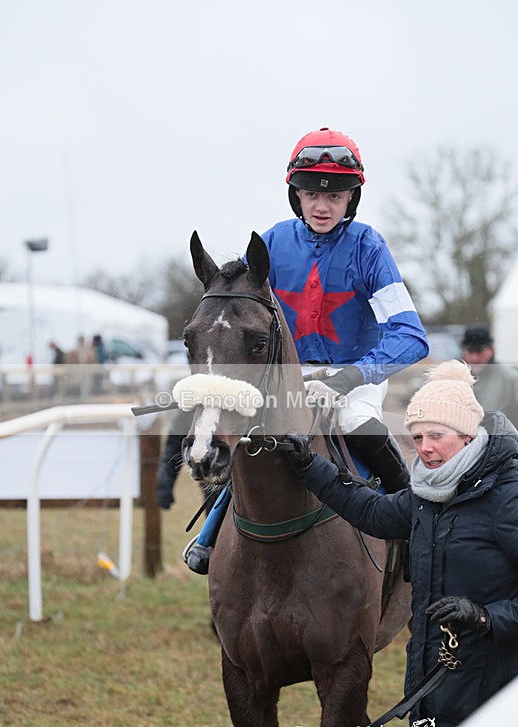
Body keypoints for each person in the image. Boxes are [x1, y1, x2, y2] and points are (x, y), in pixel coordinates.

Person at [184, 126, 429, 575]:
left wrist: (349, 378)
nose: (322, 205)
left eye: (335, 196)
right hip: (285, 381)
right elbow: (237, 319)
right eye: (311, 194)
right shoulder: (273, 243)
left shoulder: (369, 248)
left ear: (350, 200)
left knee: (359, 423)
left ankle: (419, 535)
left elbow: (411, 336)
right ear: (295, 195)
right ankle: (212, 531)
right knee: (245, 433)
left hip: (352, 378)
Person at [282, 360, 518, 727]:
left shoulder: (507, 496)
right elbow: (372, 512)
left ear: (467, 434)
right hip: (438, 684)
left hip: (497, 696)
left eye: (437, 435)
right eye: (417, 435)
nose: (424, 448)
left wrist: (483, 618)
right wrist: (310, 467)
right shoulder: (429, 491)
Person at [461, 323, 518, 428]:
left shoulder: (510, 379)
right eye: (470, 351)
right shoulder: (455, 377)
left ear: (491, 350)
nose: (474, 358)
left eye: (479, 351)